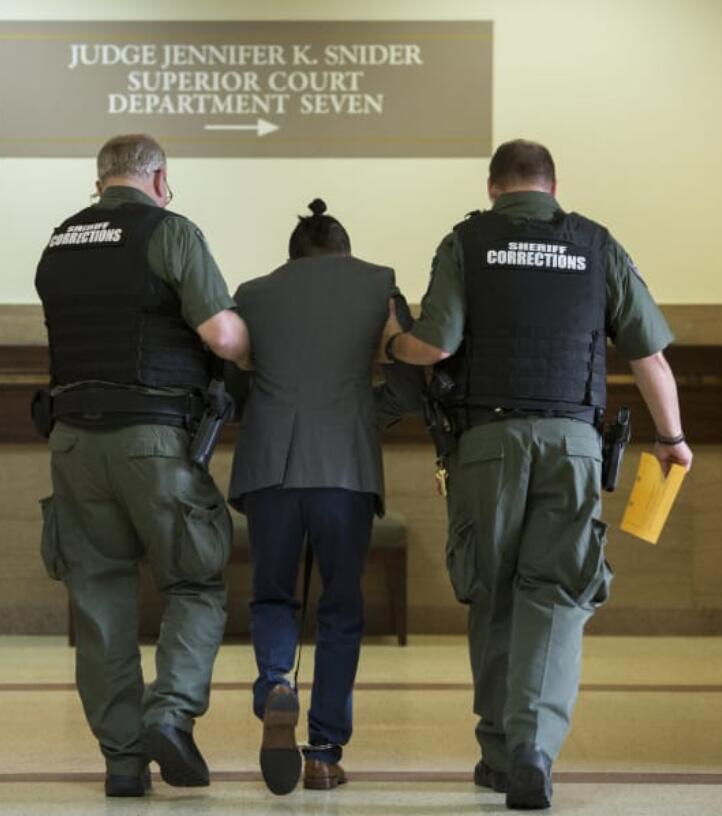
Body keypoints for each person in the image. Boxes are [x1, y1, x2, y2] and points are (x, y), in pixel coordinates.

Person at [383, 140, 693, 810]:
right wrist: (672, 440)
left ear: (493, 187)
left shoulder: (467, 240)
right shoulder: (596, 245)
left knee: (492, 590)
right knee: (556, 595)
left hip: (487, 444)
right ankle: (533, 749)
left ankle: (497, 752)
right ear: (554, 186)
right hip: (574, 445)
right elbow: (651, 357)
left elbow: (436, 344)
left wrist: (390, 343)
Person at [34, 133, 250, 798]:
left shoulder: (59, 239)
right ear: (156, 179)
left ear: (100, 181)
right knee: (195, 581)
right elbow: (220, 333)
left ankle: (123, 760)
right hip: (153, 441)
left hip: (73, 441)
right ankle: (171, 713)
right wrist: (253, 344)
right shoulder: (169, 231)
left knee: (100, 600)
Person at [227, 199, 422, 795]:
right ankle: (324, 751)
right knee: (340, 608)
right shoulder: (381, 287)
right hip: (345, 468)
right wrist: (365, 417)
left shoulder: (252, 294)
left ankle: (277, 682)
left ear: (293, 255)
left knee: (273, 596)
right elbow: (410, 385)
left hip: (270, 470)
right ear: (344, 248)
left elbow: (236, 386)